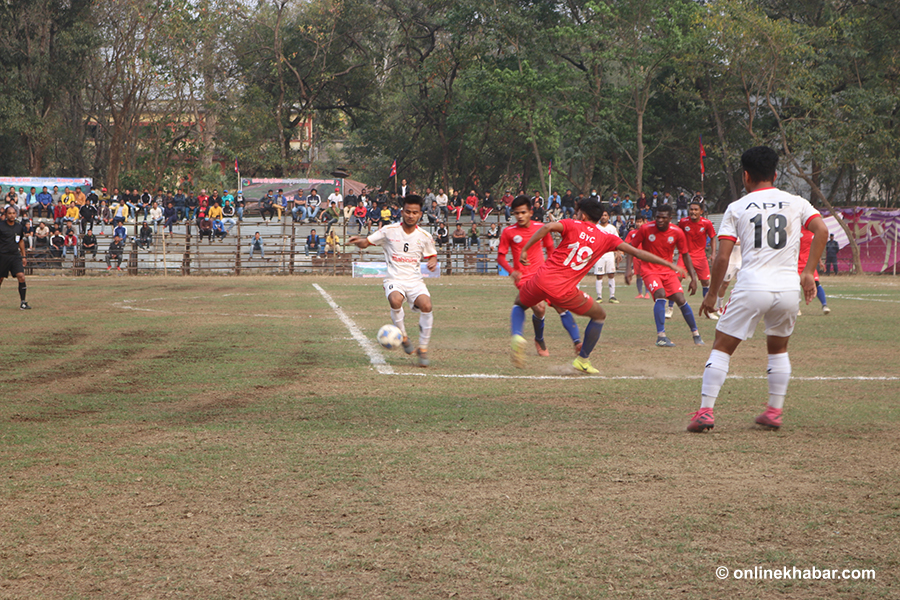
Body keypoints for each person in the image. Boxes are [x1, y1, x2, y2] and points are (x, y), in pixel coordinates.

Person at [687, 145, 828, 433]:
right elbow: (823, 231)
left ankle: (705, 411)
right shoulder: (796, 202)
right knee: (778, 348)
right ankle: (774, 411)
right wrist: (809, 272)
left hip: (752, 286)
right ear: (775, 174)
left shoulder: (737, 207)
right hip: (787, 289)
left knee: (722, 347)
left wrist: (712, 294)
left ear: (745, 176)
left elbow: (722, 257)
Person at [510, 197, 686, 373]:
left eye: (578, 212)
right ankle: (583, 360)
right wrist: (670, 264)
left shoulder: (571, 224)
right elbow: (638, 252)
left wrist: (525, 249)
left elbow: (547, 227)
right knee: (599, 315)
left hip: (541, 279)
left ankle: (517, 335)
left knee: (519, 304)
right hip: (565, 291)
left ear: (583, 215)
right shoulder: (607, 238)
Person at [348, 194, 437, 367]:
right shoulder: (388, 231)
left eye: (415, 212)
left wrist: (432, 261)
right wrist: (357, 241)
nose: (411, 215)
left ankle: (423, 349)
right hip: (394, 278)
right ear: (402, 212)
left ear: (420, 214)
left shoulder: (424, 236)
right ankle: (403, 336)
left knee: (427, 305)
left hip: (415, 281)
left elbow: (432, 255)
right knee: (395, 299)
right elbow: (366, 242)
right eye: (408, 211)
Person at [498, 195, 584, 358]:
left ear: (531, 212)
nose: (520, 216)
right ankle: (534, 339)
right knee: (539, 307)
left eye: (523, 212)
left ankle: (577, 342)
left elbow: (551, 250)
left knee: (561, 305)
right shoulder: (509, 232)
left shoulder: (541, 228)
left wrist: (554, 269)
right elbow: (501, 256)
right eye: (516, 213)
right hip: (524, 278)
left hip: (544, 275)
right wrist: (512, 271)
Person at [628, 204, 703, 347]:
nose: (660, 220)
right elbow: (631, 248)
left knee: (680, 299)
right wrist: (628, 270)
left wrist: (693, 278)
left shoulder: (677, 232)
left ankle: (696, 334)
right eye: (658, 217)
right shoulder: (645, 229)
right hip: (649, 270)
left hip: (668, 271)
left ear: (670, 218)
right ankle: (661, 336)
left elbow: (685, 255)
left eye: (663, 218)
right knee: (660, 294)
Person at [677, 196, 718, 319]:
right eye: (691, 209)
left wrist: (713, 254)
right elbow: (677, 235)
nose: (693, 212)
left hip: (700, 256)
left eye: (696, 209)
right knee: (676, 278)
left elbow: (713, 237)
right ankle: (669, 308)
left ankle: (708, 311)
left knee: (706, 282)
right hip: (685, 255)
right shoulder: (683, 222)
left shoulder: (707, 223)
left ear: (701, 211)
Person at [0, 206, 31, 309]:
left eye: (13, 213)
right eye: (9, 213)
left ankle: (23, 302)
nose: (12, 215)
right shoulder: (1, 226)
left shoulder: (19, 227)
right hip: (2, 256)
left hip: (15, 256)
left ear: (16, 214)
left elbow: (21, 241)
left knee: (21, 276)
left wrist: (23, 256)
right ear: (6, 215)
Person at [797, 226, 831, 315]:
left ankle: (824, 305)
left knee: (816, 283)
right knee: (795, 284)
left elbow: (816, 249)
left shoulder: (813, 232)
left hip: (809, 264)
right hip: (798, 262)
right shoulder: (796, 230)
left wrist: (820, 262)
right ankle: (796, 308)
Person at [591, 210, 622, 304]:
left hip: (609, 254)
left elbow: (617, 241)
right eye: (602, 215)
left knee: (611, 274)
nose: (603, 217)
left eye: (605, 215)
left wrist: (618, 252)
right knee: (599, 275)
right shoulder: (596, 228)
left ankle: (612, 296)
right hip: (599, 255)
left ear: (608, 217)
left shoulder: (612, 228)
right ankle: (599, 296)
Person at [623, 215, 650, 298]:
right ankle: (640, 293)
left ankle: (647, 293)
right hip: (635, 257)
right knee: (638, 274)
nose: (638, 224)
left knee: (646, 274)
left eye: (640, 222)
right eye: (637, 222)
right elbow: (626, 242)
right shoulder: (632, 233)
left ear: (644, 222)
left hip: (645, 256)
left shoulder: (647, 232)